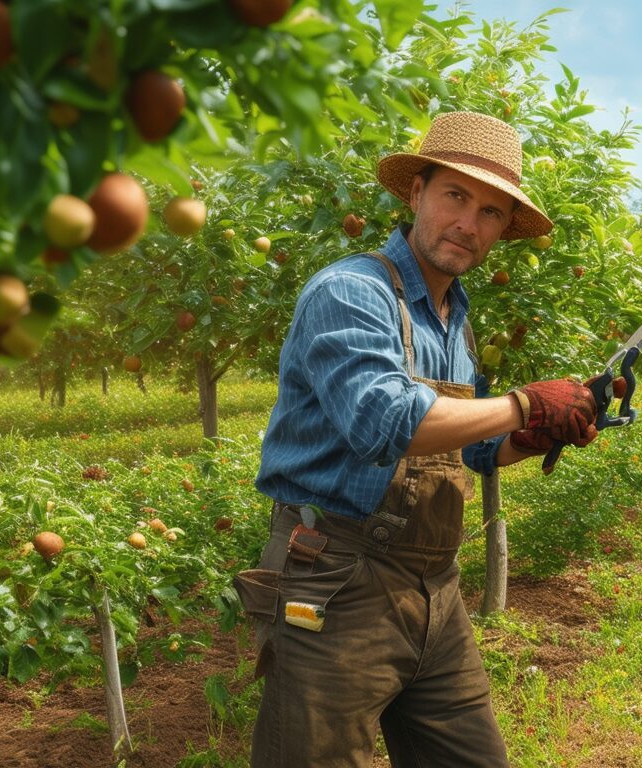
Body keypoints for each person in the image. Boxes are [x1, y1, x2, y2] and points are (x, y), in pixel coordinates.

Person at [235, 111, 599, 767]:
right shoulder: (352, 291)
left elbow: (470, 451)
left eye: (490, 212)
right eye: (456, 196)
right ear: (415, 194)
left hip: (433, 584)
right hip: (336, 577)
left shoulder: (454, 319)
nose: (468, 223)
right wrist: (520, 404)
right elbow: (385, 419)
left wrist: (542, 431)